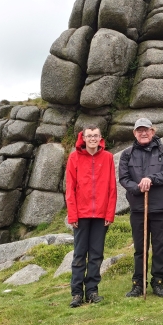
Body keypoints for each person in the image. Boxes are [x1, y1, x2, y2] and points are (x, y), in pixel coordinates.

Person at [118, 118, 163, 298]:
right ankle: (138, 283)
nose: (143, 133)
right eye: (139, 130)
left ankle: (158, 282)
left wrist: (151, 179)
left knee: (161, 247)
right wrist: (137, 188)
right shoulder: (127, 154)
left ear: (153, 131)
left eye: (147, 130)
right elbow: (124, 178)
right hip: (138, 208)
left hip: (160, 207)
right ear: (134, 133)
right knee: (140, 248)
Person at [65, 125, 117, 308]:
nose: (93, 138)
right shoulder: (74, 157)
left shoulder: (108, 158)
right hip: (81, 214)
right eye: (89, 136)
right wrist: (72, 214)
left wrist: (110, 213)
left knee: (96, 254)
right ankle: (77, 293)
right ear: (83, 138)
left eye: (96, 135)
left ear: (100, 137)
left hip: (101, 215)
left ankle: (92, 291)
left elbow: (112, 188)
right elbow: (70, 188)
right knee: (79, 254)